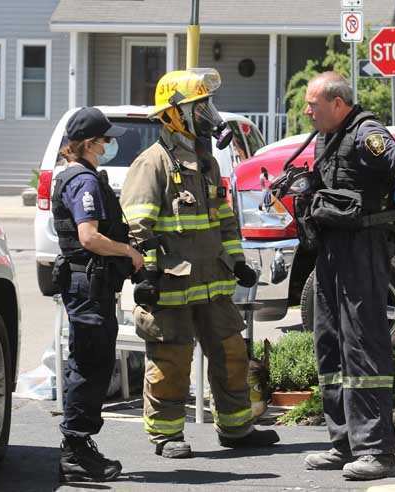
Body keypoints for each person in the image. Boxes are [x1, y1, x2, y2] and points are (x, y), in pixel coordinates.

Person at [120, 68, 280, 459]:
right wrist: (149, 274)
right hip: (171, 286)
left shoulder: (207, 163)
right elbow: (138, 225)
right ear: (174, 115)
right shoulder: (151, 164)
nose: (208, 114)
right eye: (199, 107)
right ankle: (166, 435)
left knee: (231, 353)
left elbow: (223, 220)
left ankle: (236, 428)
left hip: (213, 283)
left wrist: (238, 262)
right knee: (172, 360)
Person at [300, 72, 395, 480]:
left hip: (363, 246)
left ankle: (376, 451)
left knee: (363, 345)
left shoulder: (366, 133)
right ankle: (343, 442)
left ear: (338, 103)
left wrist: (388, 201)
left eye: (313, 104)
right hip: (332, 248)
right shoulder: (328, 136)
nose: (307, 111)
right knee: (330, 342)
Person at [51, 106, 144, 482]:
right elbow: (88, 236)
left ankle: (77, 445)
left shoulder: (80, 176)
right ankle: (75, 449)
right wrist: (128, 252)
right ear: (89, 144)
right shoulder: (83, 181)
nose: (108, 145)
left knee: (92, 362)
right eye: (105, 140)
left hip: (90, 284)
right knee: (90, 364)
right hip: (87, 285)